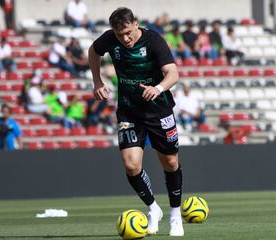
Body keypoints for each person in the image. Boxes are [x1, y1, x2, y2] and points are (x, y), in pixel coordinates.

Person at [88, 7, 184, 236]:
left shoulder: (154, 40)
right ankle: (153, 209)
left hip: (159, 110)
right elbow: (93, 51)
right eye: (120, 35)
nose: (125, 38)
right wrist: (97, 82)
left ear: (136, 24)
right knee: (131, 165)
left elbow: (173, 73)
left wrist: (158, 88)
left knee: (170, 163)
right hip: (129, 112)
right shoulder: (110, 39)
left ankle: (175, 214)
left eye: (128, 32)